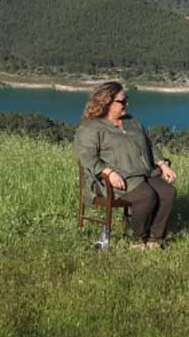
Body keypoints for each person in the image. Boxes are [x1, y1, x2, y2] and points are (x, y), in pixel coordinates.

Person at [74, 81, 178, 249]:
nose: (126, 104)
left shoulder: (132, 121)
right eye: (122, 101)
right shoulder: (91, 127)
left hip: (143, 173)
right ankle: (137, 238)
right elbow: (86, 157)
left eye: (126, 99)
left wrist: (163, 164)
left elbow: (149, 144)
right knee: (146, 196)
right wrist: (108, 172)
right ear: (107, 102)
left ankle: (155, 238)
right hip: (111, 180)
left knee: (168, 193)